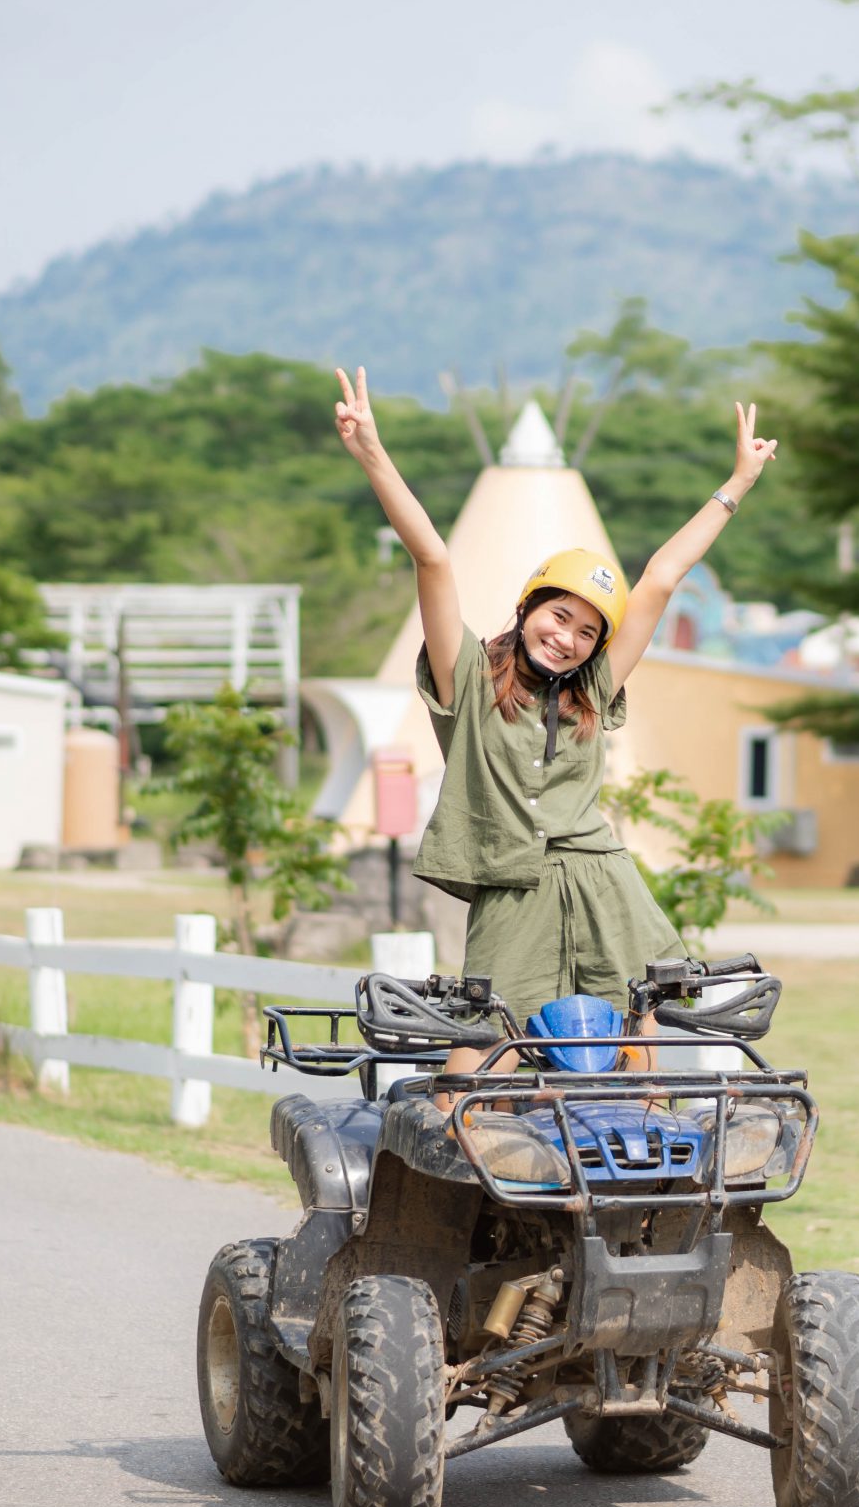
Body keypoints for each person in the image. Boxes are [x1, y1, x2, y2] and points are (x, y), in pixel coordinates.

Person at [331, 365, 778, 1081]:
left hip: (604, 882)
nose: (567, 636)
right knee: (480, 1048)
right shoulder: (469, 677)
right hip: (514, 887)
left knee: (642, 1027)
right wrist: (372, 453)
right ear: (530, 606)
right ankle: (452, 1166)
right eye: (558, 614)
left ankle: (651, 1167)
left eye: (586, 631)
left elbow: (661, 577)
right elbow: (434, 557)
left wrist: (737, 486)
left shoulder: (594, 690)